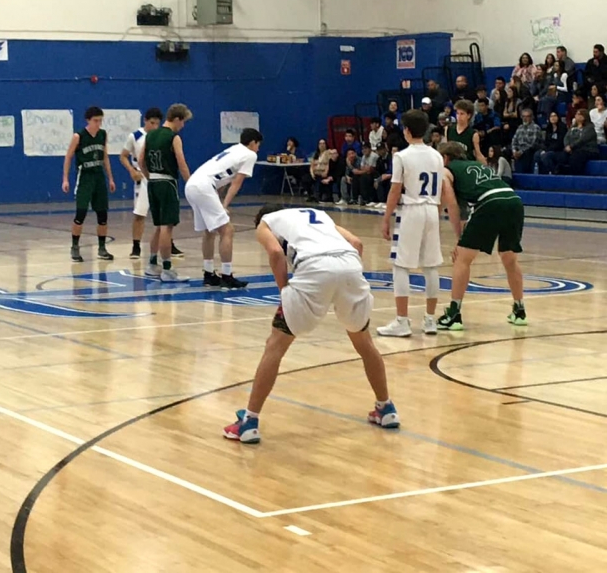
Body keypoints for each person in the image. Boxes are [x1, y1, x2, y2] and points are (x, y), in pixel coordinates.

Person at [223, 204, 400, 443]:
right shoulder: (319, 216)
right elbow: (357, 244)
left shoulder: (265, 222)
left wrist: (285, 290)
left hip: (314, 268)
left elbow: (275, 253)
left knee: (275, 346)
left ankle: (249, 422)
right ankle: (386, 408)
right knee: (364, 343)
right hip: (350, 267)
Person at [437, 142, 526, 331]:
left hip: (491, 202)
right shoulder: (478, 165)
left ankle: (454, 314)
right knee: (509, 257)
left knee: (462, 258)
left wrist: (460, 240)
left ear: (445, 158)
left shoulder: (446, 171)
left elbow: (452, 205)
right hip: (513, 200)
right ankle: (519, 310)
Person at [377, 110, 443, 337]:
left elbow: (395, 190)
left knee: (401, 265)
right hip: (432, 210)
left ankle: (402, 321)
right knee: (431, 266)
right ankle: (431, 320)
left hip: (412, 210)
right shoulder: (437, 155)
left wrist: (386, 217)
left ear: (406, 130)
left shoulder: (402, 156)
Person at [185, 128, 263, 289]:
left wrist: (219, 201)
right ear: (253, 143)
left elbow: (222, 181)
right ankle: (227, 276)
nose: (258, 149)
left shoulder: (233, 149)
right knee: (227, 230)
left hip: (193, 184)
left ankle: (208, 274)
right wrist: (224, 205)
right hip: (204, 186)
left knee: (209, 230)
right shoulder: (250, 154)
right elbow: (237, 182)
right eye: (258, 145)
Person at [120, 108, 185, 260]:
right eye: (152, 123)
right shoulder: (135, 136)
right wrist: (131, 170)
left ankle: (169, 244)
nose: (154, 126)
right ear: (145, 121)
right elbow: (123, 156)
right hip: (143, 177)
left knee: (165, 217)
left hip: (157, 175)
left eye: (157, 123)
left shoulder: (160, 135)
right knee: (140, 213)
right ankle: (136, 246)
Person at [138, 104, 192, 282]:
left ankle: (152, 264)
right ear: (177, 119)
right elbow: (181, 162)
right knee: (167, 227)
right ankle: (167, 269)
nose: (183, 126)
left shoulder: (150, 134)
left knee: (159, 225)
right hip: (167, 182)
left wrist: (149, 176)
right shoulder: (173, 137)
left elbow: (140, 160)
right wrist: (191, 183)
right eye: (183, 122)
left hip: (152, 181)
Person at [62, 106, 116, 263]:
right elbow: (68, 157)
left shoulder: (102, 134)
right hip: (85, 175)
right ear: (88, 120)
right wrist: (65, 179)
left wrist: (110, 178)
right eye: (95, 121)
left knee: (103, 215)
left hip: (99, 175)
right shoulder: (78, 136)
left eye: (100, 121)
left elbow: (105, 157)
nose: (98, 124)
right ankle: (75, 247)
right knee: (81, 213)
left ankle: (102, 248)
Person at [511, 108, 543, 174]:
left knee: (526, 154)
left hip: (530, 150)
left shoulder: (535, 127)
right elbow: (514, 140)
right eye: (523, 116)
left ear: (532, 117)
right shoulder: (520, 127)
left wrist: (520, 152)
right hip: (519, 150)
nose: (525, 119)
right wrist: (514, 151)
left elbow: (532, 144)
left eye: (527, 116)